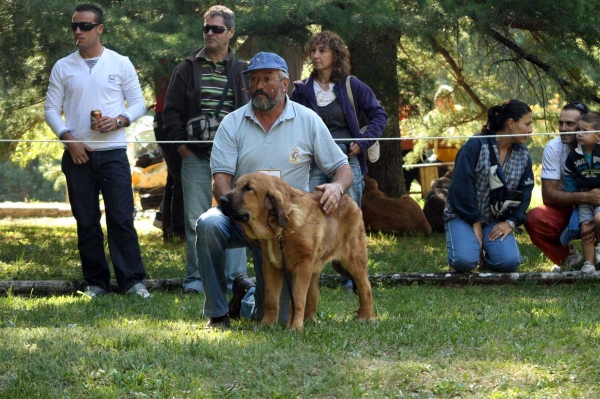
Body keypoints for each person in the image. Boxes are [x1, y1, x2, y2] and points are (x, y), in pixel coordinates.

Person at [195, 52, 353, 328]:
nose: (259, 85)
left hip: (287, 225)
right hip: (241, 219)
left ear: (284, 84)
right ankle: (217, 313)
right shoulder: (232, 122)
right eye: (254, 79)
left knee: (279, 317)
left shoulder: (308, 120)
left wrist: (336, 187)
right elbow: (221, 180)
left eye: (268, 79)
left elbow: (343, 168)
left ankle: (243, 294)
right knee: (208, 224)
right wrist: (242, 219)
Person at [44, 3, 150, 298]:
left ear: (100, 29)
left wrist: (119, 120)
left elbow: (139, 104)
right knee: (87, 220)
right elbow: (51, 110)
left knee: (121, 218)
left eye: (85, 26)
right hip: (78, 154)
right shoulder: (63, 66)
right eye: (75, 26)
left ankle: (132, 281)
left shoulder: (120, 62)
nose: (78, 31)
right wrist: (68, 138)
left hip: (114, 151)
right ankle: (96, 283)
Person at [289, 30, 387, 291]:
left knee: (349, 216)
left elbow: (379, 116)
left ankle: (352, 278)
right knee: (309, 216)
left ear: (336, 55)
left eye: (323, 51)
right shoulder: (300, 90)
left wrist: (363, 141)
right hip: (312, 162)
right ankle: (310, 275)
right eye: (313, 51)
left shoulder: (351, 85)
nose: (316, 55)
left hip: (346, 159)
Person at [163, 5, 249, 294]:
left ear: (231, 32)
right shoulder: (186, 68)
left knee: (239, 216)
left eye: (217, 29)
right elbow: (170, 113)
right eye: (206, 29)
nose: (210, 33)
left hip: (235, 158)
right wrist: (184, 149)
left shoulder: (244, 70)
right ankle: (196, 281)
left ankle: (236, 280)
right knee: (196, 221)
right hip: (196, 156)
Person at [444, 99, 534, 273]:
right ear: (510, 123)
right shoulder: (475, 145)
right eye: (527, 124)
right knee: (464, 262)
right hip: (463, 215)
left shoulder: (523, 155)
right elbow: (461, 188)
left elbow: (525, 194)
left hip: (494, 220)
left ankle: (487, 258)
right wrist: (475, 222)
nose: (531, 130)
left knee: (510, 263)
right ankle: (464, 249)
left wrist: (511, 222)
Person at [524, 102, 600, 272]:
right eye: (561, 123)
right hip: (569, 206)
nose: (563, 128)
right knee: (534, 219)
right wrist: (585, 199)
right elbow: (548, 195)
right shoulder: (553, 147)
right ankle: (567, 258)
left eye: (570, 124)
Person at [563, 112, 600, 273]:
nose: (579, 134)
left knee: (599, 218)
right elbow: (569, 178)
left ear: (598, 137)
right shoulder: (573, 156)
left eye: (585, 131)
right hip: (584, 198)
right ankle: (589, 264)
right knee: (585, 227)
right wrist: (573, 199)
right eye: (579, 130)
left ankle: (599, 246)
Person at [153, 75, 185, 242]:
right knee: (181, 176)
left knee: (174, 177)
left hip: (175, 118)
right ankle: (178, 230)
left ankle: (167, 227)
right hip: (166, 118)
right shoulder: (169, 57)